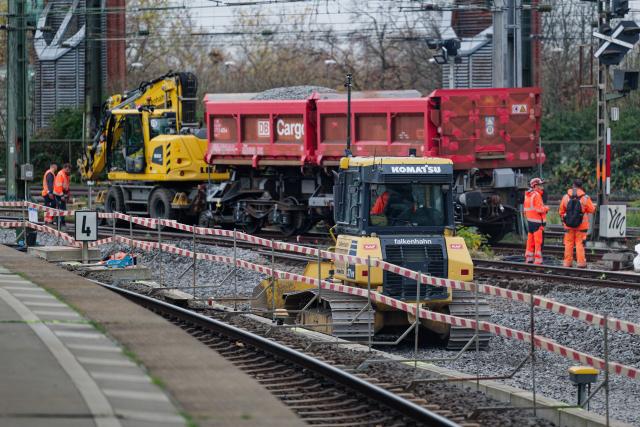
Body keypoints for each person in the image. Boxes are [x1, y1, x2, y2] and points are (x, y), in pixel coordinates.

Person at [559, 179, 595, 268]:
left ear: (573, 185)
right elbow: (592, 209)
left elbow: (561, 211)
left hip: (568, 225)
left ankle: (567, 263)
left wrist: (565, 219)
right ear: (581, 186)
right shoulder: (585, 197)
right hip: (581, 226)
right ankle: (581, 263)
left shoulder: (565, 197)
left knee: (568, 243)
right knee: (580, 244)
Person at [524, 178, 549, 265]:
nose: (542, 187)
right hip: (537, 222)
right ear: (535, 186)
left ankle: (529, 258)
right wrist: (546, 208)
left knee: (530, 240)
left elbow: (526, 210)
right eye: (540, 185)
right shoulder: (537, 195)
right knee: (538, 241)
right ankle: (538, 260)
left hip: (530, 222)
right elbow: (539, 209)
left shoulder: (528, 195)